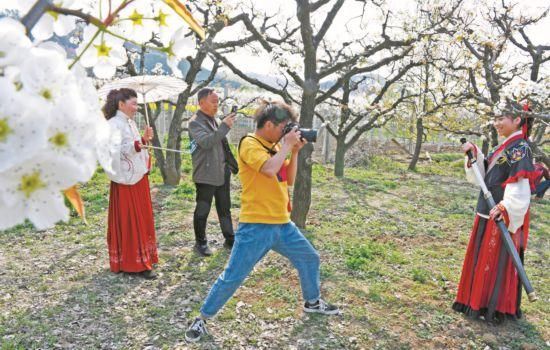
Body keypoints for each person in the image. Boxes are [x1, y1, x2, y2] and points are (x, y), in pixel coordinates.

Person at [184, 100, 339, 343]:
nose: (288, 132)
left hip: (282, 224)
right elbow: (268, 169)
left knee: (310, 258)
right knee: (233, 275)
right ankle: (202, 319)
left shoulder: (277, 145)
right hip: (256, 225)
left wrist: (295, 151)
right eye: (285, 127)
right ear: (269, 124)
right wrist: (287, 146)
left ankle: (312, 301)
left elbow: (288, 179)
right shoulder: (249, 143)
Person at [453, 103, 538, 323]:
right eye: (495, 118)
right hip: (487, 210)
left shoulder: (520, 147)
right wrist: (476, 155)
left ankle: (491, 304)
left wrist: (506, 208)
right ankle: (476, 299)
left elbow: (520, 185)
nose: (497, 123)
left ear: (518, 119)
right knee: (482, 257)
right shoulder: (504, 147)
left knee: (495, 260)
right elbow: (485, 177)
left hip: (500, 214)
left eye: (502, 118)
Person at [103, 88, 158, 279]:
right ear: (121, 104)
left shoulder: (130, 123)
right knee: (131, 218)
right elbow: (113, 150)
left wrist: (144, 140)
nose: (136, 107)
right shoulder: (112, 125)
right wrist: (138, 144)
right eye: (133, 103)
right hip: (126, 180)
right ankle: (136, 262)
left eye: (137, 103)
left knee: (141, 217)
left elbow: (137, 147)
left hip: (137, 176)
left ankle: (144, 258)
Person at [188, 88, 239, 256]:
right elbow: (206, 142)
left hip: (221, 171)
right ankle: (200, 243)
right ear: (201, 102)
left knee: (224, 208)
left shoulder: (214, 119)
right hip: (205, 173)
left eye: (218, 101)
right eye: (213, 101)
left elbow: (220, 143)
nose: (217, 105)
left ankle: (230, 239)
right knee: (203, 209)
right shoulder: (195, 122)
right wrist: (224, 126)